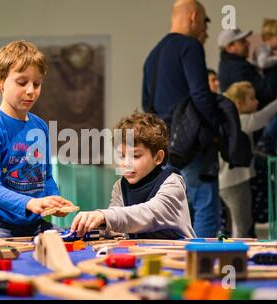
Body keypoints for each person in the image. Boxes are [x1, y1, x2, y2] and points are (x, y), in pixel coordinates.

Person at [0, 40, 74, 245]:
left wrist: (54, 200)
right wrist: (31, 202)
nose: (30, 91)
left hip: (33, 223)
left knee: (70, 244)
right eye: (21, 82)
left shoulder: (41, 127)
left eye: (37, 84)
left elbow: (46, 177)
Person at [142, 0, 220, 237]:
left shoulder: (152, 55)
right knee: (205, 205)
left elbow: (147, 105)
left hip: (165, 145)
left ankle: (176, 262)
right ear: (194, 16)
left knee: (172, 209)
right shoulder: (190, 46)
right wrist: (215, 129)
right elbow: (200, 93)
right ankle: (203, 261)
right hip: (193, 142)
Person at [70, 111, 196, 239]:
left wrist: (104, 216)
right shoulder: (120, 186)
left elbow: (150, 214)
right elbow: (115, 226)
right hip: (142, 255)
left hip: (178, 255)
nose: (126, 164)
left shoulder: (172, 182)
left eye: (135, 156)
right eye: (121, 156)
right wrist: (97, 226)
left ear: (158, 157)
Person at [219, 81, 277, 237]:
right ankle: (240, 257)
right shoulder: (239, 121)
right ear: (239, 103)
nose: (256, 101)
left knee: (233, 226)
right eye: (252, 98)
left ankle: (231, 255)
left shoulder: (228, 120)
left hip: (227, 183)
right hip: (236, 182)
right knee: (243, 225)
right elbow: (263, 117)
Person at [218, 28, 277, 108]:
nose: (248, 43)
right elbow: (266, 93)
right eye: (243, 42)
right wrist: (271, 64)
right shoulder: (237, 68)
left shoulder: (231, 64)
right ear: (230, 48)